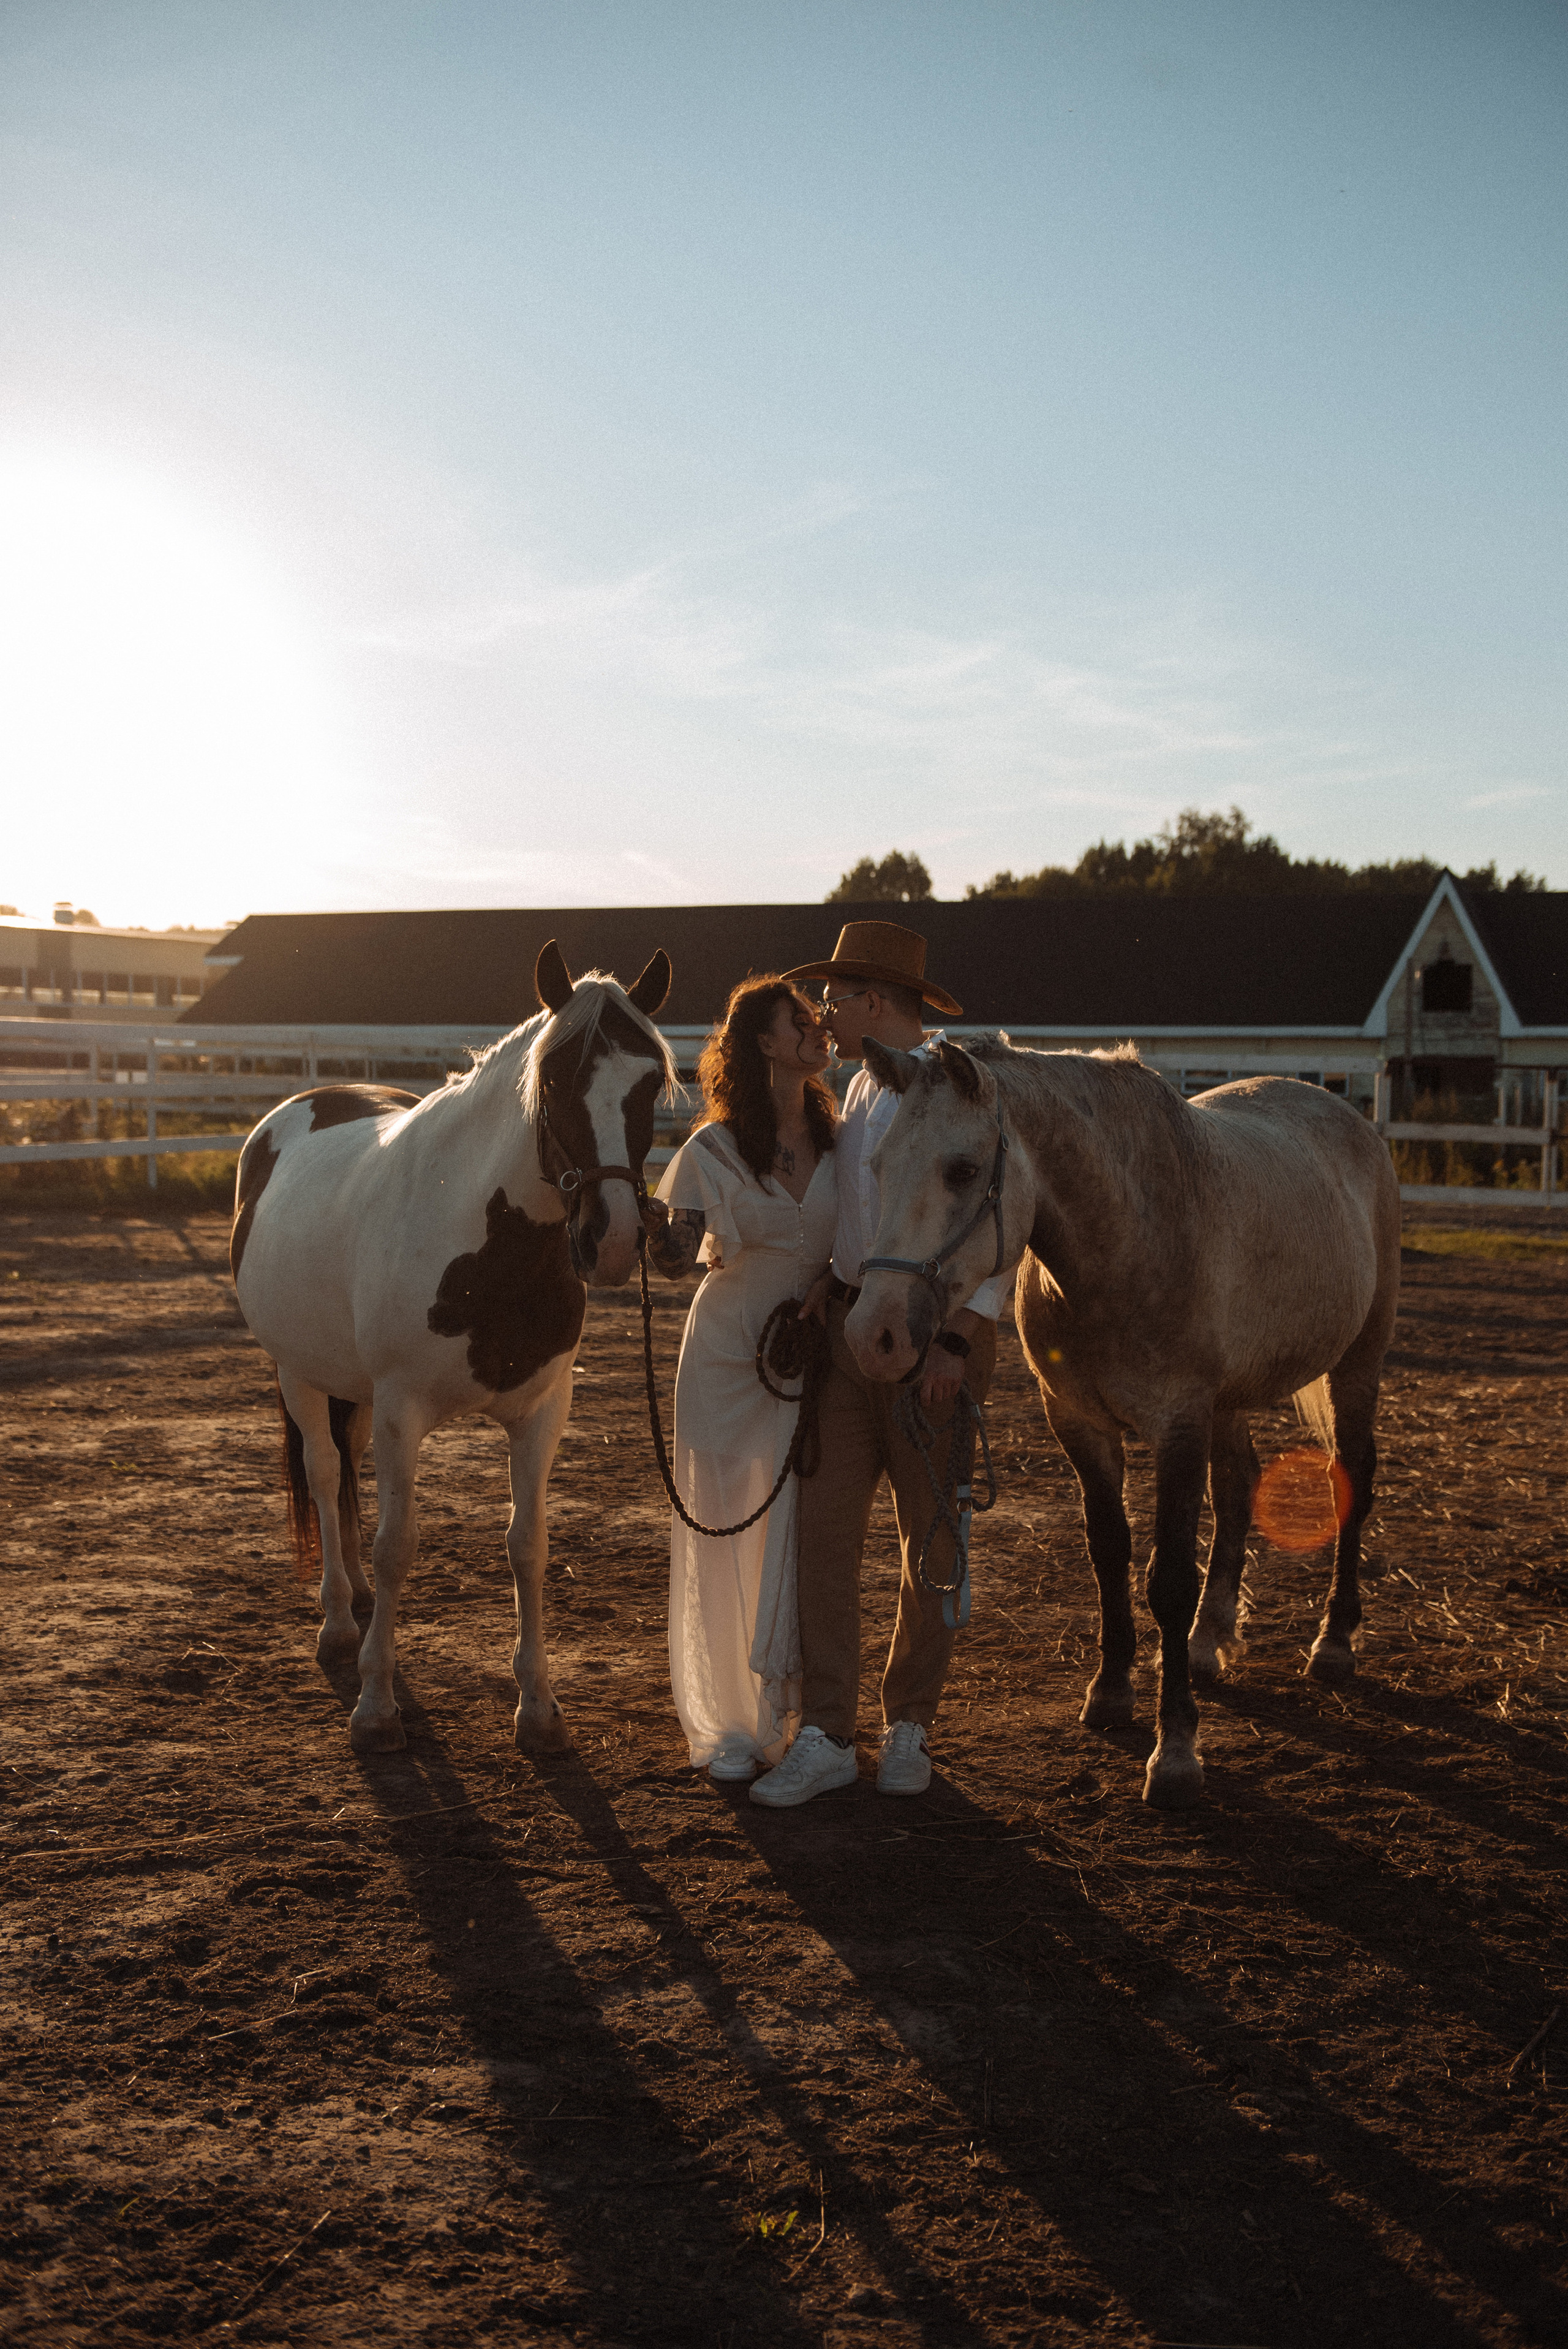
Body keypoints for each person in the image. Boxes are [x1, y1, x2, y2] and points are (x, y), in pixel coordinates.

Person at [747, 920, 1007, 1808]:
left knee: (929, 1538)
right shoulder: (860, 1090)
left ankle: (910, 1727)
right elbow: (869, 1224)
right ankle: (825, 1730)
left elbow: (1000, 1224)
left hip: (935, 1342)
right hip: (855, 1332)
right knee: (825, 1534)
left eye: (834, 996)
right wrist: (832, 1277)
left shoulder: (960, 1086)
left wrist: (960, 1337)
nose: (823, 1011)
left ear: (874, 1001)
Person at [642, 977, 838, 1781]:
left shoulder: (844, 1141)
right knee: (722, 1527)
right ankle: (727, 1721)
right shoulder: (713, 1150)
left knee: (791, 1525)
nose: (819, 1029)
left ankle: (779, 1707)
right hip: (725, 1355)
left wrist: (829, 1290)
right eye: (802, 1021)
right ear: (764, 1042)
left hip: (805, 1353)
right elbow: (663, 1258)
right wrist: (628, 1197)